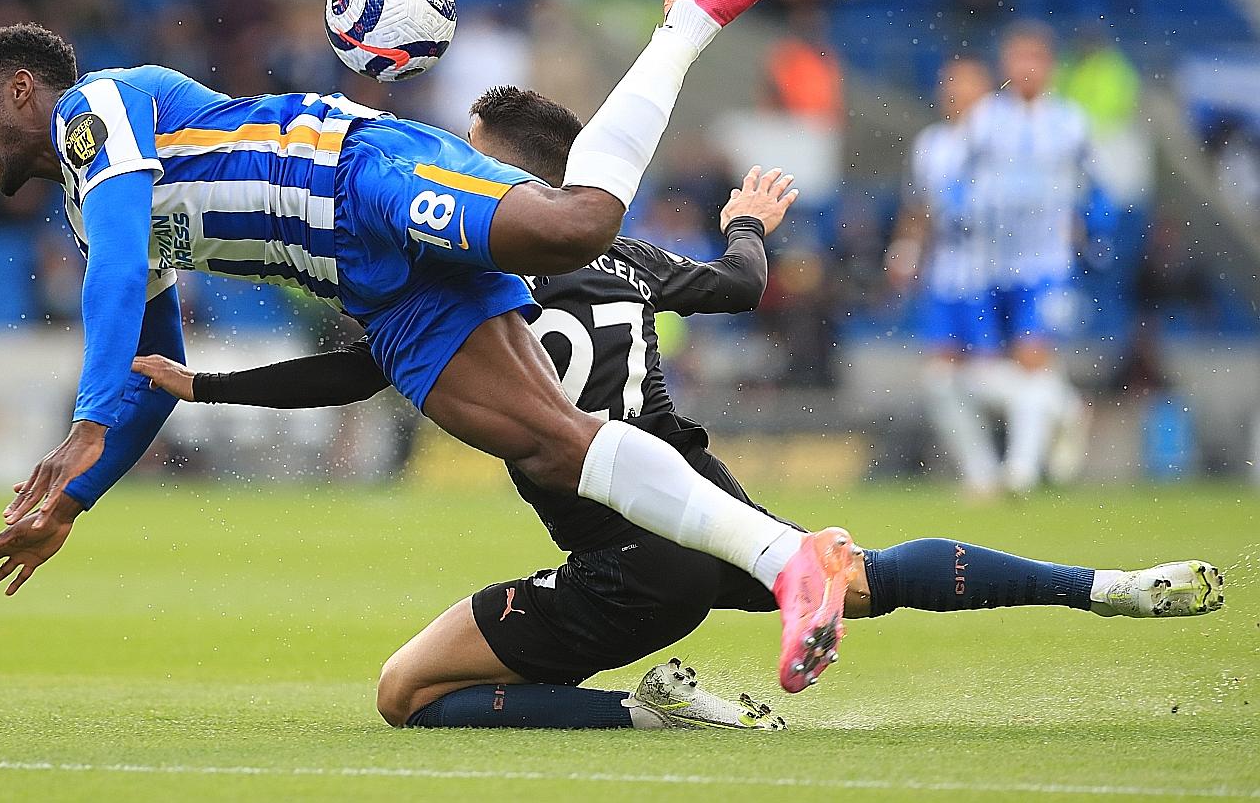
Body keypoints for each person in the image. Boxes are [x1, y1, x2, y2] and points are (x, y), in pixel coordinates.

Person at [133, 87, 1226, 732]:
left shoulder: (455, 272)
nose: (447, 162)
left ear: (493, 170)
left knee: (406, 691)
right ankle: (1108, 585)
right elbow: (744, 284)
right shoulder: (621, 246)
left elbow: (358, 370)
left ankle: (643, 706)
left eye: (467, 153)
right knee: (859, 572)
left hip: (625, 551)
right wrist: (748, 220)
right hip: (709, 500)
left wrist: (211, 386)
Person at [0, 0, 860, 694]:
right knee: (551, 440)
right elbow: (150, 381)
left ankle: (688, 18)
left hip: (359, 174)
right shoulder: (86, 211)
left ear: (23, 90)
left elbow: (118, 267)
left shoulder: (96, 107)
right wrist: (75, 497)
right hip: (373, 289)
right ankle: (791, 564)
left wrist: (82, 424)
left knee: (577, 226)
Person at [962, 23, 1100, 492]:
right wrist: (964, 214)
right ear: (1005, 64)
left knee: (1030, 358)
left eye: (1035, 58)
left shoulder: (1070, 122)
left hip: (1044, 264)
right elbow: (961, 183)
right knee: (983, 371)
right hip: (991, 264)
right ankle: (1066, 409)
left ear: (1049, 66)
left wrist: (1089, 225)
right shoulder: (984, 119)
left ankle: (1019, 473)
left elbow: (1096, 187)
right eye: (1017, 58)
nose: (1025, 68)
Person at [887, 57, 999, 493]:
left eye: (963, 83)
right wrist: (906, 250)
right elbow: (918, 207)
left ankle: (1054, 407)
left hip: (995, 276)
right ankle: (982, 474)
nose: (952, 91)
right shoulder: (931, 144)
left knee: (989, 379)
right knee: (940, 380)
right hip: (948, 277)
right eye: (946, 83)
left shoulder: (1001, 140)